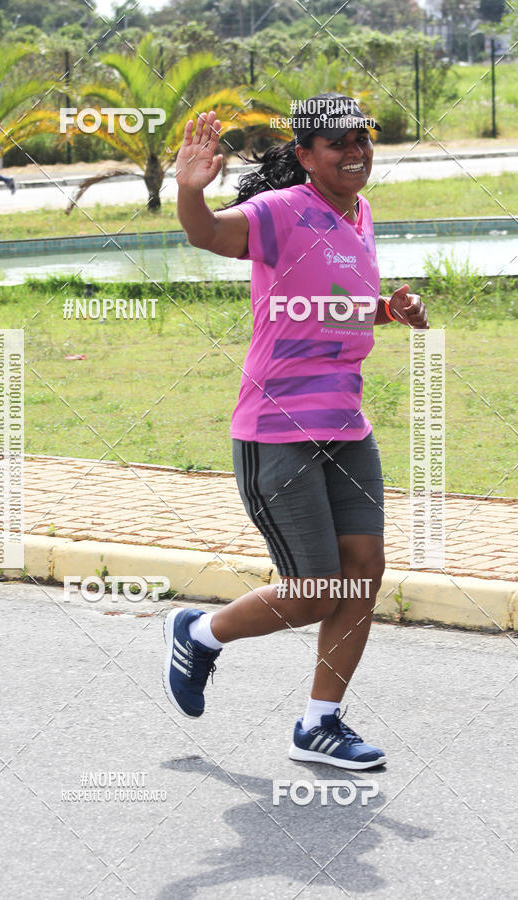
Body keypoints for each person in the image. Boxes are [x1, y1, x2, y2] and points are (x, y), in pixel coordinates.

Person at [163, 93, 428, 770]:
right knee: (314, 588)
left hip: (347, 425)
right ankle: (201, 631)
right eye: (337, 143)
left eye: (361, 139)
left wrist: (389, 311)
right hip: (278, 430)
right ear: (307, 157)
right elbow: (207, 234)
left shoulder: (360, 213)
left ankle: (320, 723)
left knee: (363, 570)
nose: (354, 151)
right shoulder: (280, 212)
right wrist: (191, 194)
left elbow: (331, 306)